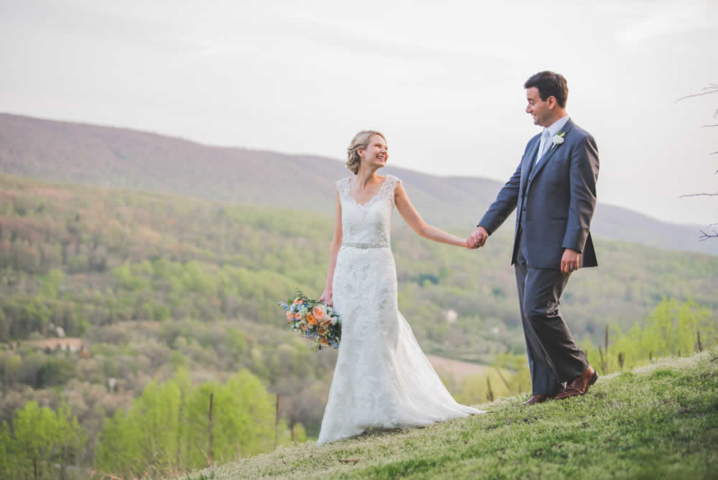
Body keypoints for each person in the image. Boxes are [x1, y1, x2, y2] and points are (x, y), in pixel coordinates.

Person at [317, 130, 483, 445]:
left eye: (387, 148)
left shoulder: (392, 187)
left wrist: (462, 242)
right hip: (348, 272)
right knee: (353, 339)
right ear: (361, 151)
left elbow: (421, 227)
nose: (384, 151)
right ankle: (354, 415)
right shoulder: (341, 189)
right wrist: (329, 288)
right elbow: (337, 241)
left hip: (379, 268)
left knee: (381, 332)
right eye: (378, 146)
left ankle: (386, 408)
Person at [468, 71, 600, 405]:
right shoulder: (533, 144)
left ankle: (581, 371)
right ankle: (545, 386)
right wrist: (486, 226)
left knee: (539, 309)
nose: (528, 109)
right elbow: (513, 189)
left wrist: (574, 245)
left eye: (531, 101)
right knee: (530, 316)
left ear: (550, 101)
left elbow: (583, 199)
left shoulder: (579, 141)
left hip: (558, 248)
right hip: (524, 247)